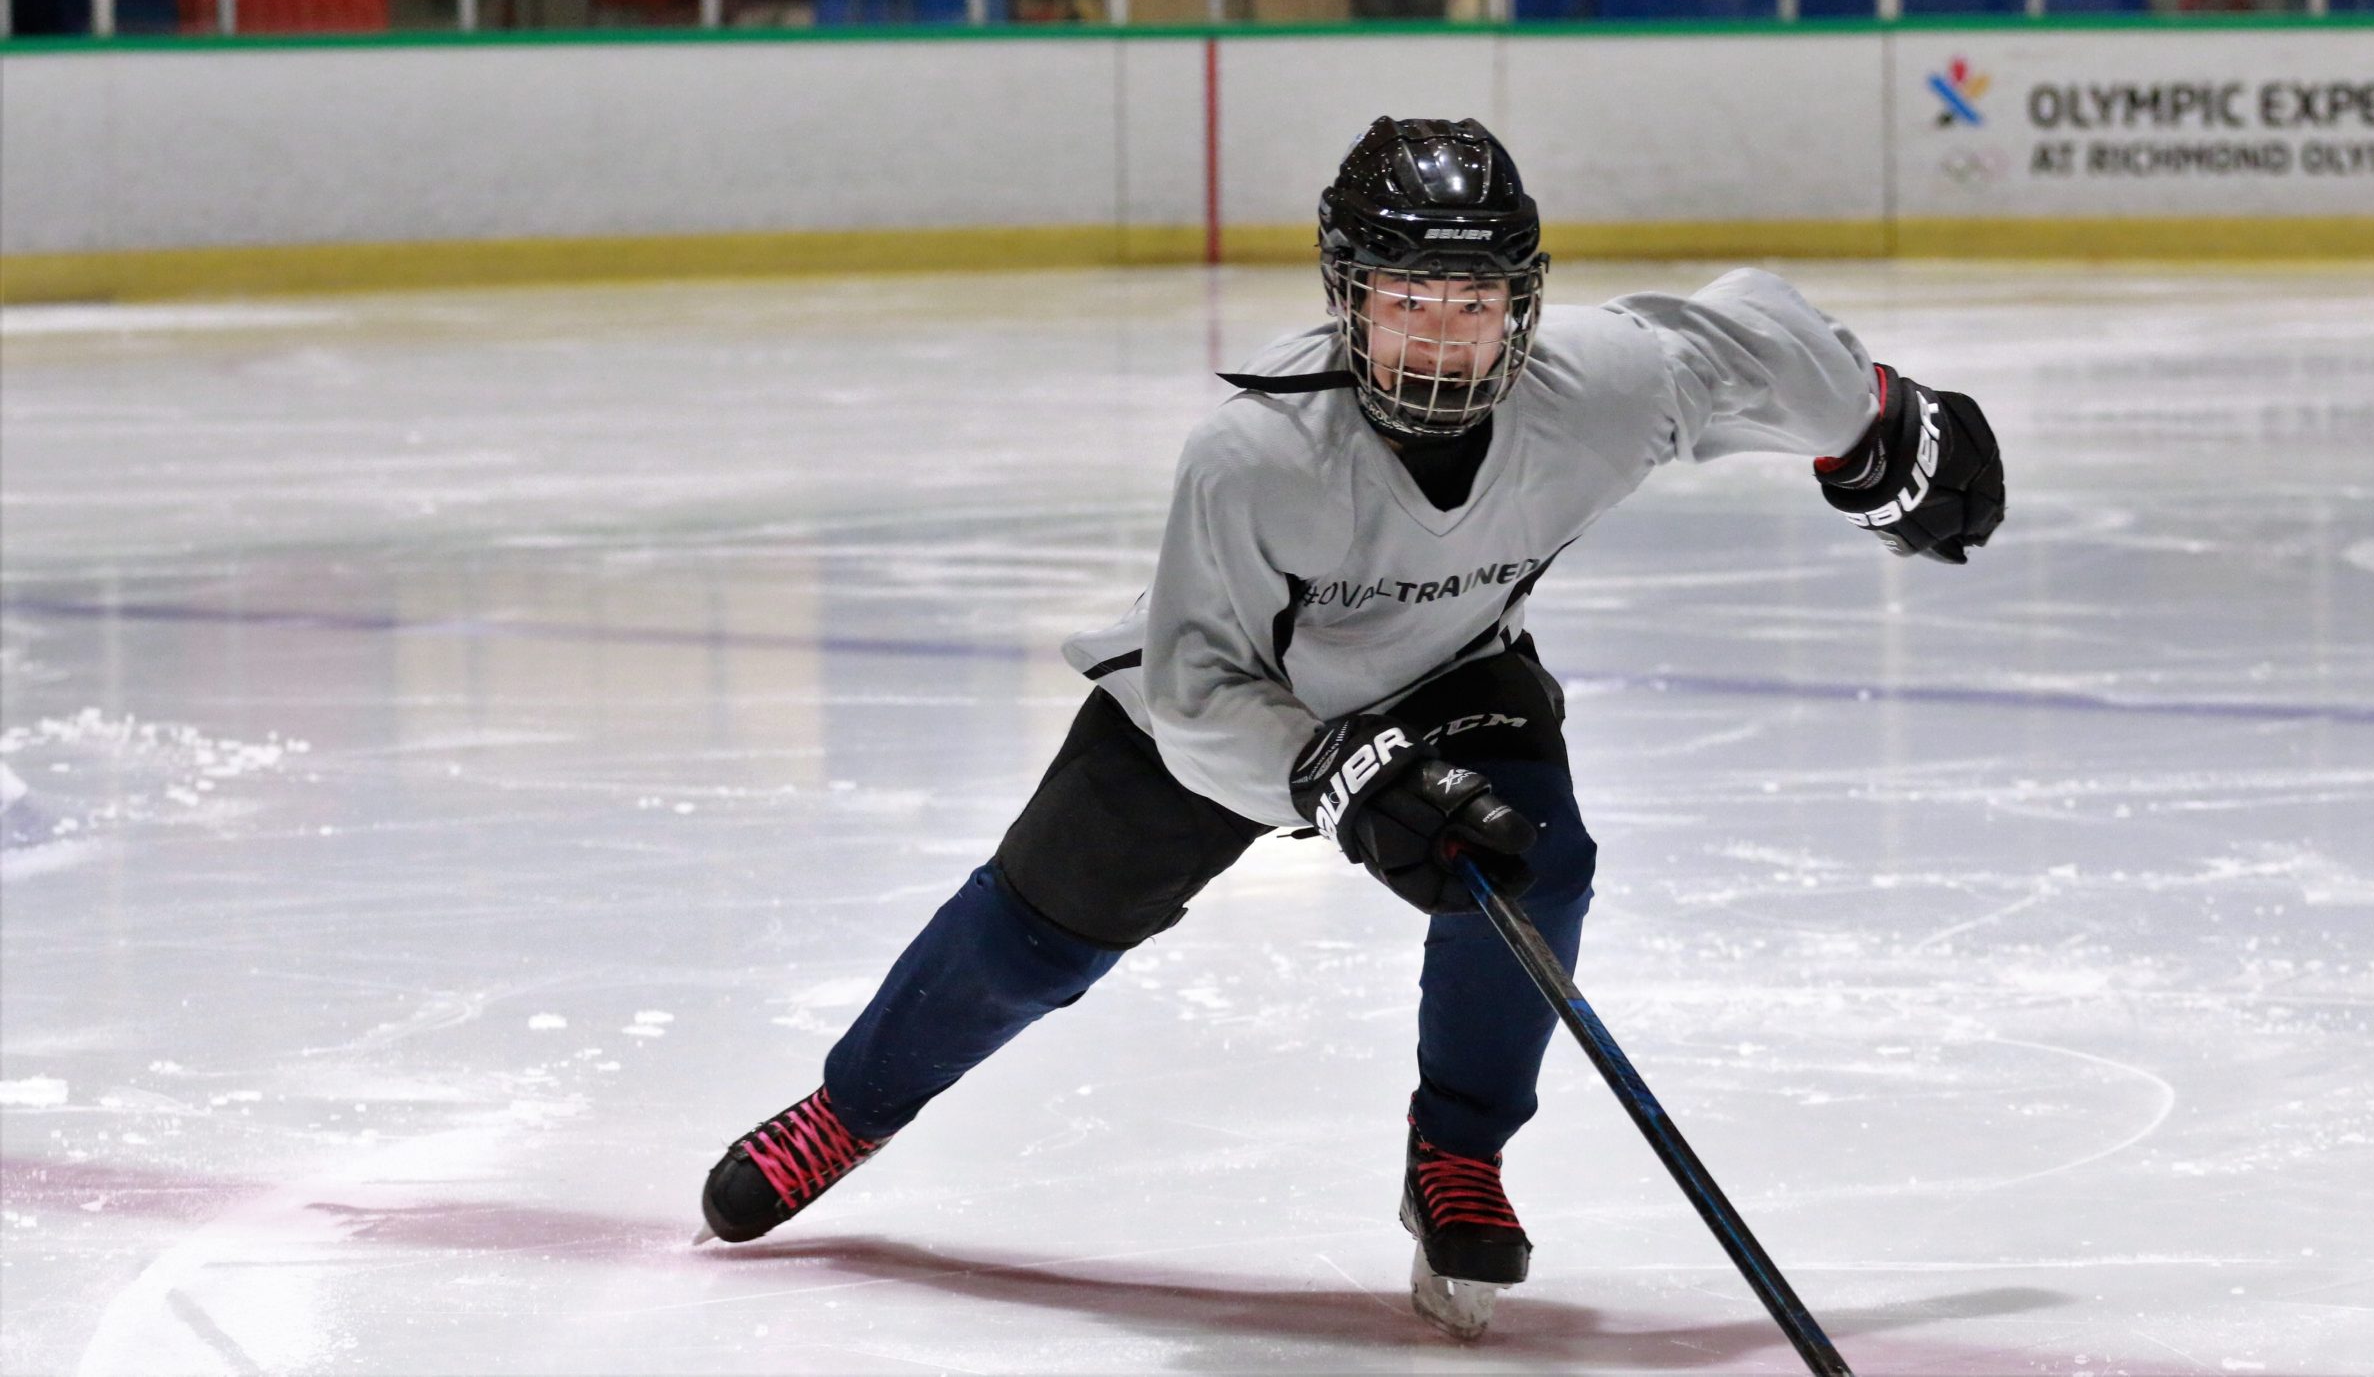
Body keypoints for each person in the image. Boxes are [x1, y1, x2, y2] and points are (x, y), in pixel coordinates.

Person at [695, 117, 2005, 1339]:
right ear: (1349, 301)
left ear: (1523, 307)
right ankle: (848, 1109)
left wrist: (1877, 427)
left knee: (1537, 861)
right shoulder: (1254, 455)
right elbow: (1200, 689)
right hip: (1238, 708)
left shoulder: (1594, 392)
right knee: (1035, 934)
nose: (1444, 339)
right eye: (1408, 304)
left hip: (1451, 675)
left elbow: (1740, 340)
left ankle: (1459, 1158)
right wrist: (1330, 775)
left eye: (1476, 304)